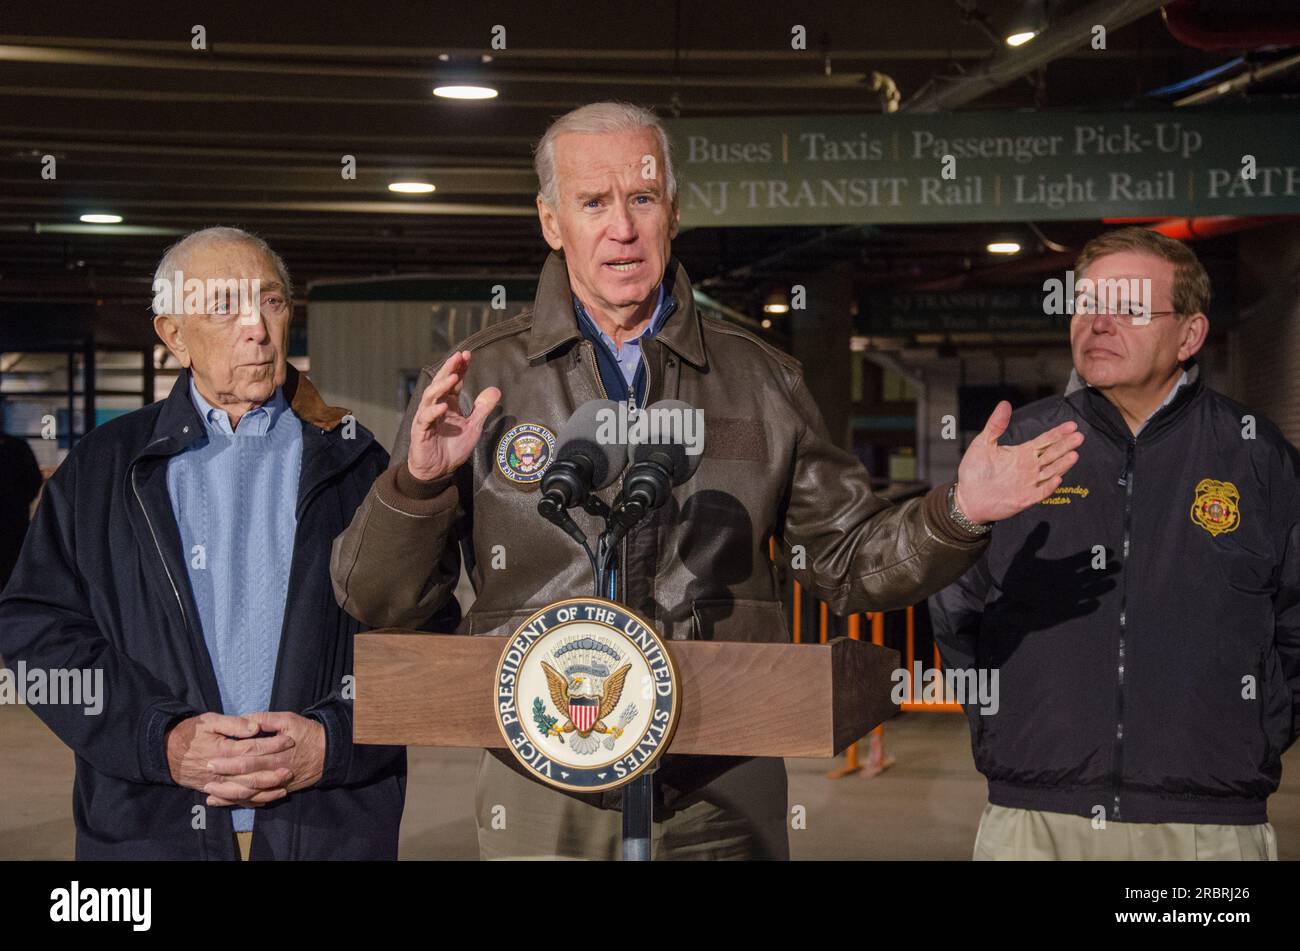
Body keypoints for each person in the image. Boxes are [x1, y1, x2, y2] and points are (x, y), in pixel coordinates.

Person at [331, 101, 1083, 860]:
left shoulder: (762, 378)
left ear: (673, 212)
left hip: (725, 766)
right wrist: (416, 487)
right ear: (552, 222)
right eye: (594, 202)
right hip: (543, 774)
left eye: (643, 198)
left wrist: (957, 510)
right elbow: (375, 596)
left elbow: (848, 559)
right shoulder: (478, 381)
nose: (622, 227)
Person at [0, 226, 427, 860]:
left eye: (272, 301)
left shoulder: (359, 463)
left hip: (328, 828)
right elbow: (33, 634)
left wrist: (335, 740)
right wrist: (159, 739)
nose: (256, 326)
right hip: (151, 832)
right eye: (225, 306)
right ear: (173, 335)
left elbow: (420, 631)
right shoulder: (103, 470)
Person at [931, 226, 1300, 860]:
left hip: (1206, 824)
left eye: (1128, 308)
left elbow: (1293, 623)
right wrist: (1002, 729)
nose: (1098, 324)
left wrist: (1256, 733)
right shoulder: (1018, 447)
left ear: (1189, 334)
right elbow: (956, 608)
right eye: (1087, 304)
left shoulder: (1255, 456)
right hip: (1035, 814)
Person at [0, 428, 43, 589]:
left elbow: (34, 480)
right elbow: (34, 480)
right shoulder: (17, 447)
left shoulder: (17, 447)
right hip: (14, 519)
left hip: (13, 519)